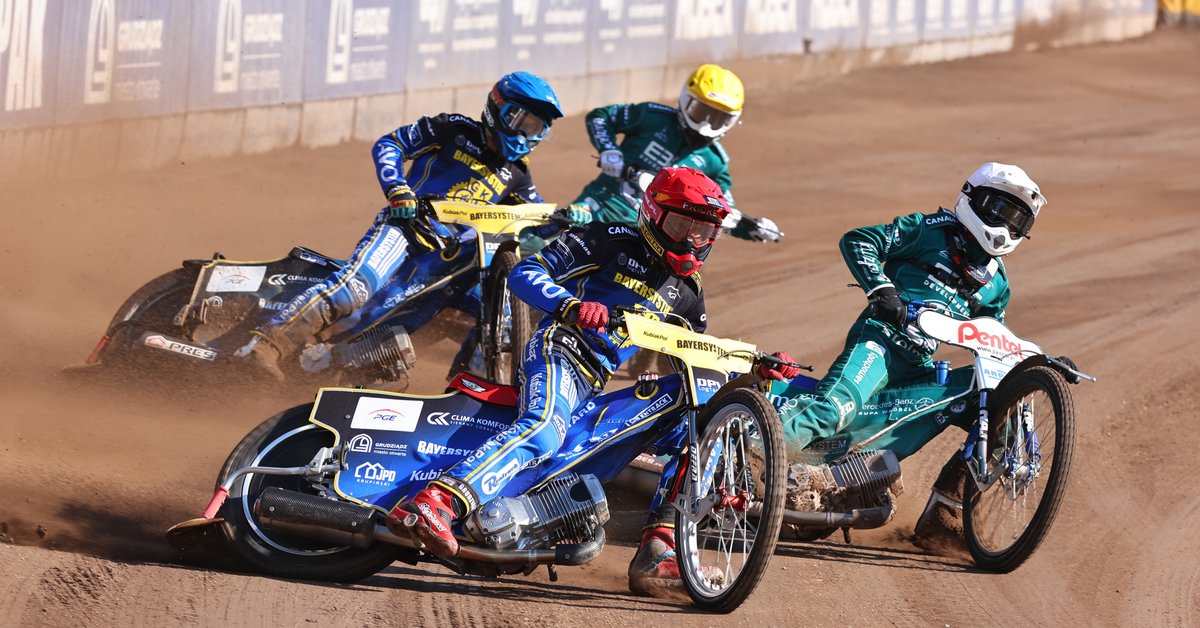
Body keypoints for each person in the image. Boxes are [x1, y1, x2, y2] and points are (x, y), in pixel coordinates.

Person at [385, 166, 800, 595]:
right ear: (653, 215)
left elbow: (696, 359)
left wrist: (753, 368)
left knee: (697, 421)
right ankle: (436, 501)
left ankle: (660, 551)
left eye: (703, 231)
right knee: (547, 430)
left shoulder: (689, 290)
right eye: (681, 225)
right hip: (560, 348)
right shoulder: (611, 237)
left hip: (595, 381)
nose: (691, 240)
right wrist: (571, 307)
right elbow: (525, 273)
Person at [773, 162, 1046, 547]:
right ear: (975, 200)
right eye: (1003, 211)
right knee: (834, 408)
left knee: (1004, 403)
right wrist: (881, 289)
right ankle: (752, 460)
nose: (1008, 226)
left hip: (919, 369)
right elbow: (858, 240)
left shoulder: (997, 282)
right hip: (881, 343)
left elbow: (990, 338)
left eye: (1019, 220)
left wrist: (1031, 367)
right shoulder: (929, 230)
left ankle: (945, 511)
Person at [231, 71, 564, 378]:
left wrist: (568, 220)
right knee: (355, 290)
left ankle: (469, 398)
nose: (525, 134)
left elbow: (532, 220)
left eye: (536, 128)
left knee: (502, 316)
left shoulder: (518, 174)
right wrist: (398, 190)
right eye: (520, 120)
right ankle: (265, 344)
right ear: (497, 109)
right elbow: (391, 144)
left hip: (454, 260)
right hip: (407, 229)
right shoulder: (453, 129)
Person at [530, 63, 781, 249]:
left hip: (651, 235)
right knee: (540, 246)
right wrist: (609, 149)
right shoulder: (652, 117)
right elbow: (600, 116)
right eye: (701, 111)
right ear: (685, 100)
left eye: (718, 118)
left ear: (732, 121)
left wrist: (752, 228)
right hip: (599, 206)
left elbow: (724, 212)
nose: (706, 124)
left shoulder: (715, 162)